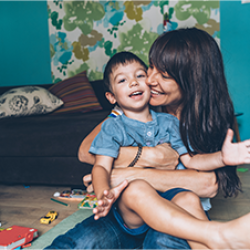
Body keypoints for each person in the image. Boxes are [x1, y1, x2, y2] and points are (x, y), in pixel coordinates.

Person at [45, 28, 250, 249]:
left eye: (164, 75)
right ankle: (218, 235)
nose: (149, 80)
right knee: (74, 243)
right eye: (150, 67)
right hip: (128, 213)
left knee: (167, 230)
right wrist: (149, 156)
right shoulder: (127, 112)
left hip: (178, 212)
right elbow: (86, 151)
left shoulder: (189, 121)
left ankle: (218, 237)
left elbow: (208, 183)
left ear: (192, 80)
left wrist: (122, 174)